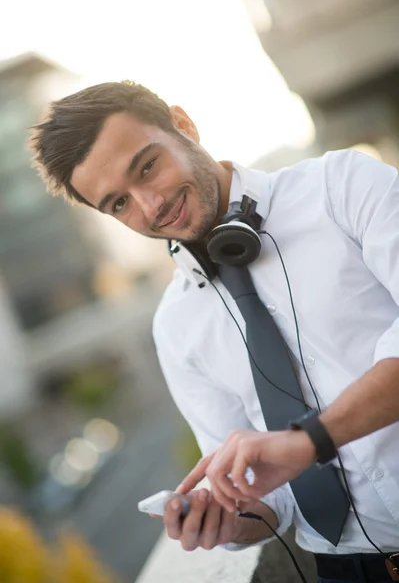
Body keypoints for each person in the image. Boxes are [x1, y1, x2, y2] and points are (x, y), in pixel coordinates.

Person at [29, 81, 399, 583]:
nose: (151, 204)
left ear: (183, 125)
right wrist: (229, 518)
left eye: (147, 166)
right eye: (119, 204)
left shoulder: (342, 186)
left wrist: (311, 440)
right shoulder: (175, 327)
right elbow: (268, 499)